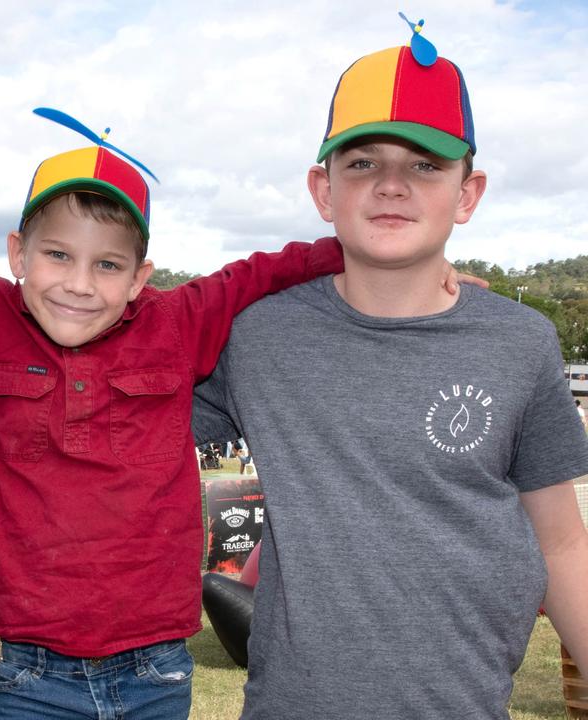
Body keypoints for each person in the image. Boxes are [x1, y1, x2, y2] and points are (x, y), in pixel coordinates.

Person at [0, 107, 472, 718]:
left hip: (156, 672)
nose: (79, 286)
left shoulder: (181, 321)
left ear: (140, 275)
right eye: (57, 256)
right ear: (18, 252)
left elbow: (275, 266)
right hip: (29, 674)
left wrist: (419, 269)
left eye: (108, 265)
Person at [191, 24, 588, 719]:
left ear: (468, 193)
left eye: (427, 165)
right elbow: (126, 378)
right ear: (324, 189)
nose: (393, 186)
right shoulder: (257, 337)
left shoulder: (521, 342)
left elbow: (560, 541)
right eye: (363, 163)